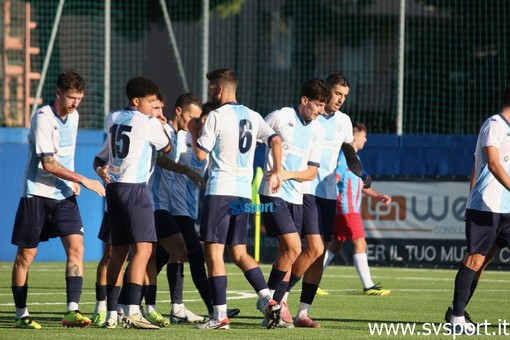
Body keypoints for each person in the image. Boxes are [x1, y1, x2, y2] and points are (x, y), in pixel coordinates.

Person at [10, 70, 106, 329]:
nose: (75, 103)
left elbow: (66, 155)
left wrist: (72, 182)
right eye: (71, 97)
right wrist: (82, 179)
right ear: (58, 93)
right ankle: (21, 314)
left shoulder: (73, 116)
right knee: (25, 257)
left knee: (77, 248)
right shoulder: (43, 117)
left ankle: (72, 311)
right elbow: (48, 163)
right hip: (37, 194)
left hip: (63, 196)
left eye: (79, 98)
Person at [189, 68, 283, 330]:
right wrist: (277, 171)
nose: (210, 93)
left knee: (214, 252)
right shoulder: (253, 115)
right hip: (242, 192)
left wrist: (194, 130)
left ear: (219, 89)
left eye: (211, 88)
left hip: (221, 189)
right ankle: (268, 299)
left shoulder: (217, 116)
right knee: (239, 252)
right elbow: (275, 139)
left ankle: (219, 317)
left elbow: (199, 156)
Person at [98, 76, 171, 329]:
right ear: (136, 101)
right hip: (135, 190)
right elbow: (167, 147)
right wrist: (161, 125)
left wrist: (100, 170)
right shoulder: (147, 122)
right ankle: (132, 310)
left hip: (114, 189)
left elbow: (100, 158)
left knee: (118, 250)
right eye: (150, 102)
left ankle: (111, 313)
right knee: (144, 250)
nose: (154, 107)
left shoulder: (114, 117)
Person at [257, 78, 328, 328]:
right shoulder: (280, 116)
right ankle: (269, 298)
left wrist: (284, 174)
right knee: (294, 248)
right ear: (305, 100)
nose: (321, 110)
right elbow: (255, 137)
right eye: (318, 105)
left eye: (323, 106)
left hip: (296, 196)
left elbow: (310, 173)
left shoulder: (318, 131)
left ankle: (273, 307)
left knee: (288, 252)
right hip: (272, 194)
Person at [445, 84, 510, 334]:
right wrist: (471, 198)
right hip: (487, 206)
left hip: (505, 209)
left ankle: (456, 312)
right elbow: (491, 164)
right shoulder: (494, 124)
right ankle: (457, 317)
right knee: (476, 259)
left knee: (483, 260)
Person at [148, 93, 206, 324]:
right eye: (192, 117)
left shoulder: (183, 136)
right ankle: (121, 305)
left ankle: (130, 303)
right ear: (179, 111)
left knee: (163, 256)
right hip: (153, 204)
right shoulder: (164, 132)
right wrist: (187, 171)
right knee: (176, 252)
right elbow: (159, 161)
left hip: (170, 208)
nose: (195, 122)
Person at [322, 122, 391, 297]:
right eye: (363, 135)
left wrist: (379, 196)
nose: (365, 139)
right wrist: (326, 202)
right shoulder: (344, 157)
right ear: (354, 136)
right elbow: (334, 178)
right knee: (360, 243)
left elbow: (362, 186)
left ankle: (313, 281)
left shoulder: (354, 160)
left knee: (335, 244)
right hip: (347, 209)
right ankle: (368, 286)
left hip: (344, 209)